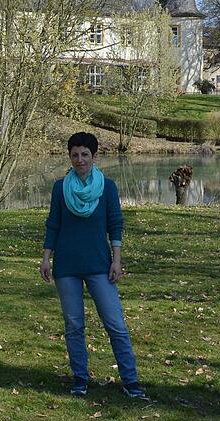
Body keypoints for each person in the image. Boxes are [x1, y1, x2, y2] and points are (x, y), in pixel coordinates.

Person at [40, 132, 146, 399]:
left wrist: (117, 259)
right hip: (66, 266)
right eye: (74, 155)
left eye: (85, 154)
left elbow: (115, 224)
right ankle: (80, 378)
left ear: (94, 157)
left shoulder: (107, 187)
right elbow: (53, 224)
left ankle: (130, 380)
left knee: (115, 324)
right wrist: (46, 257)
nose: (79, 160)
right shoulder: (59, 188)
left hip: (100, 264)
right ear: (69, 157)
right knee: (74, 325)